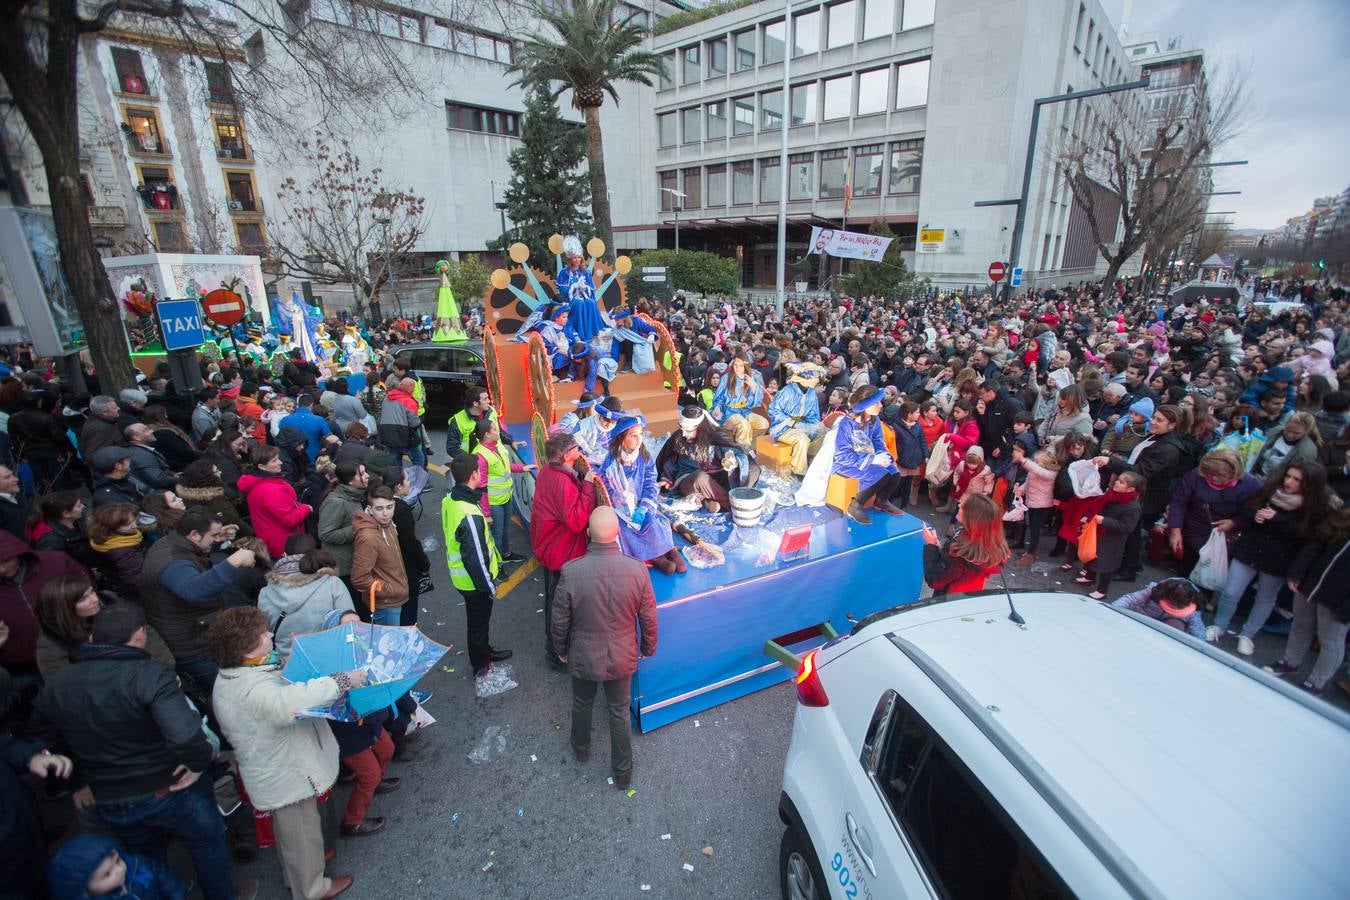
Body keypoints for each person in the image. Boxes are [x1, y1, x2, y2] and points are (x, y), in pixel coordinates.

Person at [27, 604, 243, 900]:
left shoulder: (59, 685)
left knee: (145, 857)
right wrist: (197, 763)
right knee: (206, 844)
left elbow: (43, 739)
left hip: (110, 797)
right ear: (139, 635)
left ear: (93, 638)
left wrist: (76, 781)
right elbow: (184, 735)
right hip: (172, 788)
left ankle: (161, 892)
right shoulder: (152, 675)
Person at [204, 607, 359, 898]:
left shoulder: (236, 675)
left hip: (273, 768)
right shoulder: (253, 688)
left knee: (292, 834)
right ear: (245, 650)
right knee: (303, 834)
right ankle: (312, 888)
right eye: (262, 634)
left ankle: (297, 872)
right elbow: (291, 701)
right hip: (287, 774)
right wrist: (342, 680)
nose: (270, 635)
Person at [551, 507, 658, 790]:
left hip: (583, 655)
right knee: (619, 711)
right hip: (622, 655)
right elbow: (648, 615)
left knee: (582, 704)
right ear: (618, 534)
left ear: (588, 534)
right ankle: (623, 774)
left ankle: (580, 748)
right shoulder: (636, 570)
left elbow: (560, 618)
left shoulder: (572, 572)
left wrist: (561, 649)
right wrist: (648, 646)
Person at [1207, 461, 1331, 656]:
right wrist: (1254, 515)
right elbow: (1247, 508)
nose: (1289, 482)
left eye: (1296, 479)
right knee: (1231, 591)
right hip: (1250, 549)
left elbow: (1307, 536)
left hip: (1278, 560)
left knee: (1265, 598)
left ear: (1309, 484)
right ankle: (1219, 625)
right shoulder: (1271, 490)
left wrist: (1278, 519)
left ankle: (1248, 635)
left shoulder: (1314, 507)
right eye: (1288, 476)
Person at [140, 511, 257, 695]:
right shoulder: (172, 562)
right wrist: (235, 561)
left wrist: (217, 537)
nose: (216, 539)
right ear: (194, 534)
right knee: (225, 691)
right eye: (213, 535)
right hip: (190, 645)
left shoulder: (177, 544)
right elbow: (194, 590)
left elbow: (198, 558)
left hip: (196, 631)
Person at [530, 431, 599, 670]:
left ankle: (558, 649)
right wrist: (588, 487)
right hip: (562, 554)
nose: (580, 452)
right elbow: (577, 521)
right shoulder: (561, 481)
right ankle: (558, 655)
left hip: (552, 549)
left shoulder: (549, 472)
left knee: (556, 604)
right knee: (560, 609)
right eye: (577, 449)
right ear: (567, 454)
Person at [1270, 508, 1350, 694]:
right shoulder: (1343, 515)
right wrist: (1297, 573)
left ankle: (1317, 682)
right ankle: (1290, 662)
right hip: (1310, 584)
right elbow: (1315, 545)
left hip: (1338, 599)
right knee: (1300, 625)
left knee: (1331, 640)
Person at [442, 453, 507, 677]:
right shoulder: (469, 515)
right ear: (473, 475)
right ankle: (481, 664)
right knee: (478, 624)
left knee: (478, 622)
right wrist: (489, 587)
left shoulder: (452, 498)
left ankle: (484, 652)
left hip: (463, 578)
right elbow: (476, 558)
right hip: (474, 583)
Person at [598, 414, 684, 574]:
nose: (639, 439)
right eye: (633, 435)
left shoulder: (644, 457)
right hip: (621, 509)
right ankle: (657, 558)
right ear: (622, 439)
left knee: (653, 522)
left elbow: (651, 483)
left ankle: (671, 551)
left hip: (642, 504)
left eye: (641, 434)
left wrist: (644, 507)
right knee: (624, 530)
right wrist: (622, 507)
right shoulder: (610, 462)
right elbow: (606, 486)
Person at [1165, 449, 1263, 574]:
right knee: (1187, 571)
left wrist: (1234, 522)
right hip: (1193, 530)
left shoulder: (1251, 485)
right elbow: (1179, 502)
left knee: (1209, 577)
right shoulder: (1195, 476)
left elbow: (1255, 513)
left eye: (1220, 475)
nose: (1213, 478)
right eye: (1209, 473)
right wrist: (1175, 530)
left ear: (1234, 472)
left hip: (1223, 538)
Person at [258, 535, 354, 660]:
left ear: (285, 555)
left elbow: (265, 632)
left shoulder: (265, 593)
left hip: (286, 665)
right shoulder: (332, 584)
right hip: (329, 661)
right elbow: (349, 626)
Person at [654, 406, 756, 514]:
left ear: (700, 428)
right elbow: (671, 460)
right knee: (699, 479)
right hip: (690, 481)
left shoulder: (715, 440)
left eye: (688, 430)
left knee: (749, 472)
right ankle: (734, 506)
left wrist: (733, 462)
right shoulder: (680, 438)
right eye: (681, 428)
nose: (683, 434)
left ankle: (707, 502)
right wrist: (666, 478)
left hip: (717, 482)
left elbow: (737, 454)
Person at [830, 387, 903, 524]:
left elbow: (877, 441)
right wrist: (873, 459)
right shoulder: (847, 424)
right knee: (880, 475)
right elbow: (842, 455)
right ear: (865, 405)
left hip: (868, 458)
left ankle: (881, 501)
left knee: (894, 473)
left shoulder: (874, 420)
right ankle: (855, 506)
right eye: (877, 403)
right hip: (847, 464)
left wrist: (883, 455)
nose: (881, 406)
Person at [46, 832, 188, 900]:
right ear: (84, 891)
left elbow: (159, 872)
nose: (120, 869)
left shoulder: (135, 863)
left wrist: (176, 892)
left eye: (118, 860)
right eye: (107, 874)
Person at [468, 419, 533, 563]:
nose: (499, 432)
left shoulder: (497, 445)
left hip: (505, 497)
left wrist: (521, 468)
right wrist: (487, 514)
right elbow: (481, 486)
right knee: (497, 534)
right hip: (494, 502)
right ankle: (497, 565)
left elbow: (504, 466)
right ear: (487, 435)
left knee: (504, 529)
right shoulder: (480, 456)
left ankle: (505, 554)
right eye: (495, 430)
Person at [921, 493, 1011, 596]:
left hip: (949, 600)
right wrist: (938, 546)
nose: (959, 504)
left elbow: (934, 580)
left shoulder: (962, 555)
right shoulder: (987, 544)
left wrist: (931, 545)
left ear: (972, 517)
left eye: (963, 506)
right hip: (971, 595)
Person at [1077, 471, 1144, 600]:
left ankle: (1102, 590)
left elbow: (1127, 527)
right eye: (1118, 480)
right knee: (1092, 555)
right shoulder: (1112, 495)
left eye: (1121, 482)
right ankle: (1089, 577)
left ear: (1130, 489)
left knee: (1106, 564)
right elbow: (1098, 508)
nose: (1116, 482)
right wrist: (1089, 517)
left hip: (1112, 540)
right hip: (1099, 533)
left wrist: (1104, 520)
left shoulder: (1133, 507)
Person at [379, 466, 432, 628]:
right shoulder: (399, 509)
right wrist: (424, 563)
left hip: (389, 568)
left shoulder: (381, 504)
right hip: (404, 569)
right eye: (407, 480)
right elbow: (410, 542)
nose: (410, 483)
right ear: (398, 486)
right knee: (408, 612)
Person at [238, 445, 312, 558]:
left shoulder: (264, 483)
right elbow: (289, 519)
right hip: (284, 543)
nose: (280, 462)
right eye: (274, 461)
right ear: (262, 466)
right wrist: (306, 508)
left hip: (274, 537)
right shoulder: (269, 490)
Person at [350, 485, 408, 625]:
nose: (386, 513)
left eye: (389, 507)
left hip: (393, 599)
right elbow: (359, 578)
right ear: (370, 509)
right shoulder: (368, 537)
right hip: (386, 604)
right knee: (390, 645)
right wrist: (388, 589)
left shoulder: (387, 524)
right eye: (379, 508)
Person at [317, 459, 370, 599]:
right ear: (351, 481)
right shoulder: (336, 502)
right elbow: (325, 533)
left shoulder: (354, 494)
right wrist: (359, 527)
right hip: (344, 567)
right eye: (362, 474)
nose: (367, 476)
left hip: (354, 561)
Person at [767, 362, 827, 476]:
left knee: (823, 436)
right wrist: (793, 423)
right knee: (801, 439)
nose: (818, 380)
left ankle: (812, 465)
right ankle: (798, 473)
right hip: (782, 427)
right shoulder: (787, 391)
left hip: (802, 425)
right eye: (816, 377)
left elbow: (812, 415)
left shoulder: (811, 393)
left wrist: (817, 426)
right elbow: (774, 411)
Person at [1110, 577, 1208, 638]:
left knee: (1177, 626)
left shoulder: (1193, 608)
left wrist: (1200, 649)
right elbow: (1130, 599)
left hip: (1168, 629)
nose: (1174, 607)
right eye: (1172, 604)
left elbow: (1198, 630)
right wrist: (1111, 610)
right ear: (1165, 596)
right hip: (1144, 619)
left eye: (1178, 606)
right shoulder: (1154, 591)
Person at [1011, 445, 1058, 566]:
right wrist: (1021, 489)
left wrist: (1023, 460)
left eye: (1038, 462)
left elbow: (1037, 470)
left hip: (1042, 505)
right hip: (1032, 502)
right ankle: (1032, 550)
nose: (1036, 464)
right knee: (1032, 527)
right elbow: (1028, 481)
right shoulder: (1037, 470)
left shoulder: (1050, 473)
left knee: (1035, 530)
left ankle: (1030, 554)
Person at [711, 354, 768, 446]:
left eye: (741, 365)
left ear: (746, 366)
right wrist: (717, 407)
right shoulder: (726, 378)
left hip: (745, 411)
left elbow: (756, 403)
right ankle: (742, 451)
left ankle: (751, 446)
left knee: (763, 423)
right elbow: (719, 397)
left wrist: (753, 387)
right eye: (735, 365)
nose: (737, 368)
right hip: (728, 412)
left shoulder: (751, 379)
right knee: (744, 425)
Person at [31, 490, 96, 569]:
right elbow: (56, 569)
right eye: (79, 505)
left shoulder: (77, 518)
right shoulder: (51, 543)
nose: (83, 506)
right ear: (66, 514)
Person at [555, 236, 604, 340]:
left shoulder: (586, 272)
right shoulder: (564, 273)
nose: (577, 260)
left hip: (584, 297)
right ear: (570, 259)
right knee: (579, 303)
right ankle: (582, 334)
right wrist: (574, 287)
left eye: (579, 257)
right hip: (570, 300)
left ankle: (594, 332)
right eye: (574, 257)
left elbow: (591, 291)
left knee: (590, 302)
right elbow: (562, 291)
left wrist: (584, 288)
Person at [378, 376, 425, 469]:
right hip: (403, 436)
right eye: (414, 387)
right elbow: (414, 423)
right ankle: (415, 480)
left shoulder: (387, 398)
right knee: (418, 459)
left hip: (387, 436)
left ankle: (397, 481)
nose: (414, 389)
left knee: (395, 463)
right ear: (410, 387)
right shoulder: (408, 401)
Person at [890, 400, 927, 509]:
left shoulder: (918, 426)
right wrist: (894, 460)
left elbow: (922, 441)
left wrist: (926, 455)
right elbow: (893, 445)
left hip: (913, 459)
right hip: (901, 460)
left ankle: (903, 506)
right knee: (897, 484)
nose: (919, 414)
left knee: (908, 484)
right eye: (917, 412)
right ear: (909, 414)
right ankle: (888, 504)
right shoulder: (895, 427)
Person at [143, 404, 201, 470]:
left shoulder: (152, 433)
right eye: (165, 414)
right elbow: (184, 452)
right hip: (185, 465)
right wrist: (203, 457)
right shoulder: (164, 433)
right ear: (163, 416)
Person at [79, 395, 123, 459]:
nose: (118, 408)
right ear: (104, 412)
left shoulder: (96, 421)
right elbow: (96, 457)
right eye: (115, 408)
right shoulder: (102, 430)